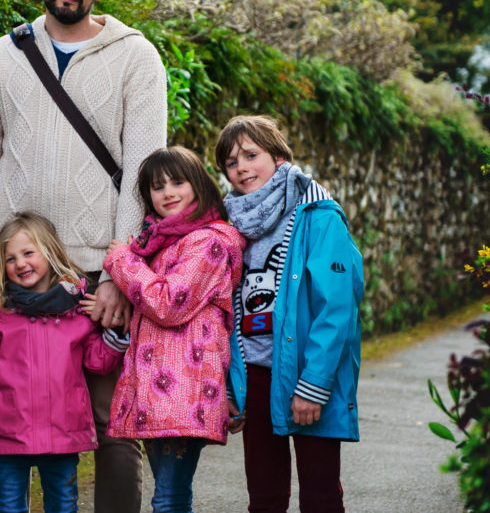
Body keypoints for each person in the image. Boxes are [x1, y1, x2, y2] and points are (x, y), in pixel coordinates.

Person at [0, 0, 167, 512]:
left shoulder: (137, 59)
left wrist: (121, 276)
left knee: (110, 422)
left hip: (95, 276)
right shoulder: (0, 57)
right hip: (13, 272)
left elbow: (144, 175)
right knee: (11, 413)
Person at [214, 115, 364, 513]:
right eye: (231, 162)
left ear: (279, 157)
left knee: (319, 496)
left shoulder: (318, 216)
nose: (242, 167)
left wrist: (313, 384)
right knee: (264, 497)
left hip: (308, 374)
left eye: (251, 154)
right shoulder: (231, 227)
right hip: (257, 379)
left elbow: (337, 308)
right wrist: (232, 385)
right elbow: (227, 309)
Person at [103, 146, 245, 512]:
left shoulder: (210, 241)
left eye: (178, 182)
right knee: (172, 495)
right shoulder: (162, 241)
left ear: (198, 184)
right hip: (159, 391)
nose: (167, 192)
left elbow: (168, 303)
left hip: (186, 388)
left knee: (169, 497)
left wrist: (121, 261)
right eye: (157, 186)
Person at [0, 212, 129, 513]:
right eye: (10, 259)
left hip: (62, 435)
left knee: (63, 506)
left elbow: (97, 363)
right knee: (8, 508)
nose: (20, 263)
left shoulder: (77, 314)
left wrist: (115, 332)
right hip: (8, 437)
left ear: (49, 253)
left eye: (28, 253)